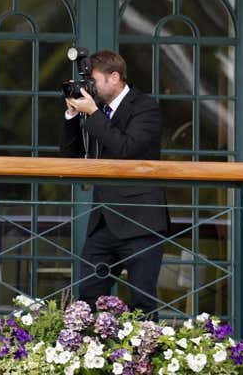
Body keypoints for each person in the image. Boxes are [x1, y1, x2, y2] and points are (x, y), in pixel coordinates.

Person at [60, 50, 167, 314]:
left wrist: (94, 114)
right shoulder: (97, 111)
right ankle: (88, 352)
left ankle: (144, 355)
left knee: (142, 303)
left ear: (115, 77)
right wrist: (73, 116)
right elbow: (69, 157)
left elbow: (126, 149)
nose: (90, 89)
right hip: (104, 221)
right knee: (87, 297)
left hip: (141, 221)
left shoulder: (145, 106)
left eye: (93, 82)